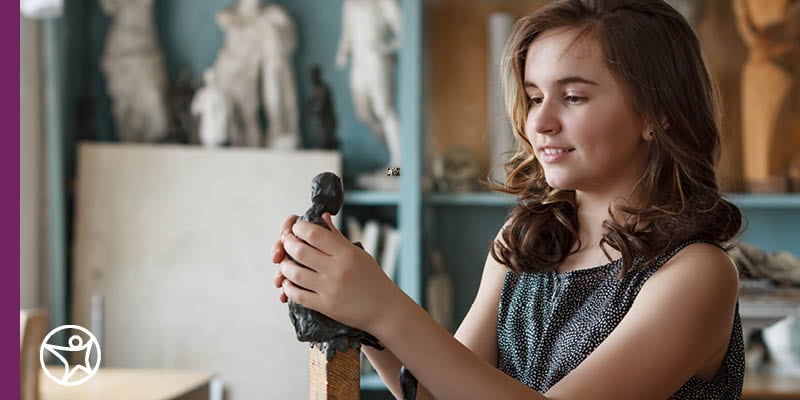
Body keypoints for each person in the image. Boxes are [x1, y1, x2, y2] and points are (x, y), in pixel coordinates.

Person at [271, 0, 744, 398]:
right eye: (535, 97)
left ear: (656, 114)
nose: (539, 123)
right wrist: (359, 313)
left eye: (574, 97)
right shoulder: (528, 239)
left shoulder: (696, 274)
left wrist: (382, 306)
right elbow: (439, 392)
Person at [336, 0, 402, 170]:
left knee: (384, 110)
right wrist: (343, 52)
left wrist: (385, 48)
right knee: (363, 113)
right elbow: (347, 34)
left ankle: (398, 166)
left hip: (376, 60)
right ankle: (398, 154)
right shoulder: (350, 4)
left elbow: (404, 33)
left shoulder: (385, 3)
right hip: (359, 61)